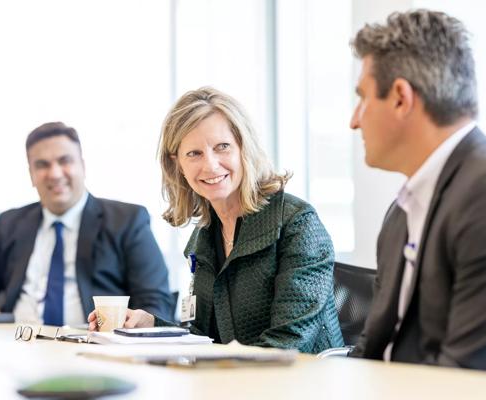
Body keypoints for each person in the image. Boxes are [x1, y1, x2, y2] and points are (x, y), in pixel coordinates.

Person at [347, 9, 486, 377]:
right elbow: (371, 351)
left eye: (363, 98)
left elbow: (469, 378)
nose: (354, 119)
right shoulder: (402, 213)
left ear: (400, 98)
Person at [89, 87, 343, 353]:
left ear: (244, 148)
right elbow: (204, 336)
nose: (210, 165)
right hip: (235, 381)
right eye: (194, 153)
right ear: (178, 165)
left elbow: (290, 341)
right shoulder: (205, 235)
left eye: (222, 147)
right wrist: (150, 325)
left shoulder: (296, 222)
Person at [0, 122, 174, 326]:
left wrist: (134, 323)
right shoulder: (10, 224)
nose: (54, 173)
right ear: (31, 175)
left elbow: (157, 304)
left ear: (83, 166)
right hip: (17, 345)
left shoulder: (127, 220)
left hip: (94, 352)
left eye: (65, 161)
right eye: (42, 165)